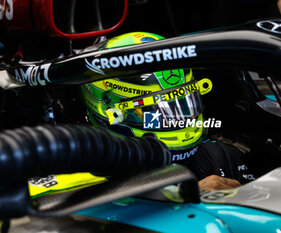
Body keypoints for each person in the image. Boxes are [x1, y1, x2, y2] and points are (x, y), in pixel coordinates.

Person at [80, 32, 254, 191]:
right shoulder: (85, 179)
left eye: (183, 104)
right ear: (108, 109)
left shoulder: (218, 157)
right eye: (153, 111)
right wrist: (188, 198)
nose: (176, 119)